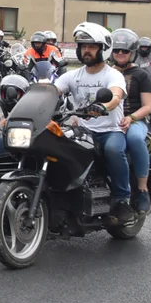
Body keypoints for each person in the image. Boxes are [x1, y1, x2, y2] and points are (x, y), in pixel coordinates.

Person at [54, 21, 131, 222]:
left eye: (91, 47)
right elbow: (53, 90)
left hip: (110, 130)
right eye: (83, 47)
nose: (86, 51)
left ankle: (123, 199)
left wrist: (104, 107)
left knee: (114, 150)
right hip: (82, 130)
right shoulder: (73, 76)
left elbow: (115, 95)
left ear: (102, 49)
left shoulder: (113, 75)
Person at [109, 28, 151, 215]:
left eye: (125, 50)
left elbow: (147, 106)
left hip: (135, 120)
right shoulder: (105, 72)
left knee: (135, 139)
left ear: (133, 52)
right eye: (116, 50)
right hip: (110, 120)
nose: (120, 54)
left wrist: (131, 117)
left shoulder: (142, 75)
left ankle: (143, 190)